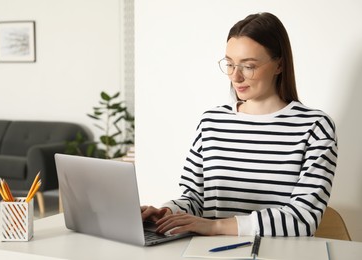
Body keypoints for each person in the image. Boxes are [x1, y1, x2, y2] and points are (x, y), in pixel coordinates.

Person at [141, 12, 337, 237]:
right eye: (230, 64)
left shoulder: (315, 127)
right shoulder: (211, 122)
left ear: (279, 65)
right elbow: (195, 198)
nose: (236, 77)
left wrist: (215, 226)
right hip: (209, 253)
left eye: (249, 66)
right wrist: (168, 213)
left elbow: (303, 219)